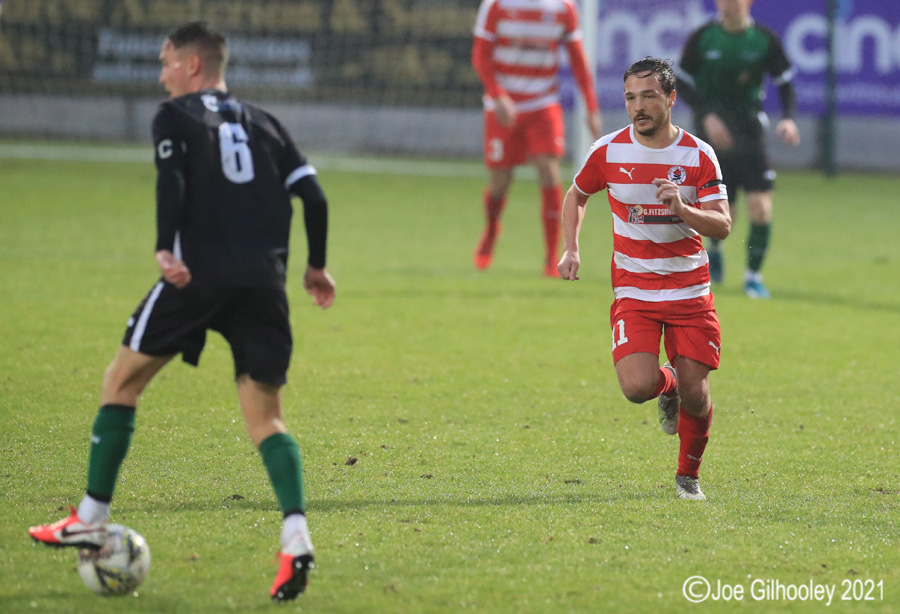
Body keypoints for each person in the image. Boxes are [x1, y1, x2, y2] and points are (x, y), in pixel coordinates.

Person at [27, 21, 336, 602]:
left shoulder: (175, 117)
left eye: (167, 61)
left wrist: (165, 244)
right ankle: (296, 536)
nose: (161, 73)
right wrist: (315, 266)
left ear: (193, 66)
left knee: (121, 381)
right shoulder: (268, 123)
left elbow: (170, 178)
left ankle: (91, 517)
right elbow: (314, 196)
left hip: (197, 276)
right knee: (267, 419)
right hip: (263, 284)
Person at [558, 57, 731, 500]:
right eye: (631, 97)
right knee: (637, 387)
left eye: (649, 96)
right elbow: (576, 195)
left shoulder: (698, 154)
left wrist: (683, 210)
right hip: (634, 289)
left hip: (690, 290)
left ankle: (687, 476)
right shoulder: (608, 151)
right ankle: (665, 384)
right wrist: (571, 248)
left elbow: (722, 225)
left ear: (671, 99)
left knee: (698, 394)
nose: (639, 106)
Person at [676, 0, 800, 298]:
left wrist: (788, 119)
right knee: (724, 211)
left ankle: (753, 277)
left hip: (749, 132)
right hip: (712, 136)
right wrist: (706, 115)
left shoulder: (763, 40)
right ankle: (715, 249)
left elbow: (784, 82)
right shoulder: (703, 37)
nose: (726, 6)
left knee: (760, 207)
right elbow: (680, 79)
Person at [472, 0, 603, 277]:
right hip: (503, 105)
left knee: (549, 170)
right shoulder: (496, 5)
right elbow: (480, 55)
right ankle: (492, 228)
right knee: (499, 182)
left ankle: (551, 257)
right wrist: (497, 95)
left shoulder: (563, 7)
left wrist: (591, 108)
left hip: (543, 103)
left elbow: (578, 59)